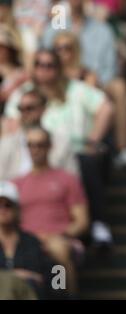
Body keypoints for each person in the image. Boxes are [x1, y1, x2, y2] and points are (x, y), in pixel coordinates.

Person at [4, 49, 113, 247]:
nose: (43, 70)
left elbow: (105, 107)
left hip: (57, 193)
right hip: (18, 204)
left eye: (49, 65)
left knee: (86, 160)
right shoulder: (9, 142)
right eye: (38, 65)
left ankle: (97, 224)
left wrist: (92, 140)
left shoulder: (76, 91)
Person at [42, 0, 126, 171]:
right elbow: (44, 60)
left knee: (118, 87)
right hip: (59, 83)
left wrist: (92, 80)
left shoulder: (102, 29)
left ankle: (122, 150)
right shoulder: (56, 26)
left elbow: (110, 70)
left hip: (95, 84)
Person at [13, 126, 89, 296]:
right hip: (24, 241)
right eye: (31, 145)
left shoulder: (67, 179)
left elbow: (82, 221)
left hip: (60, 239)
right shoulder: (17, 184)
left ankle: (66, 296)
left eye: (40, 145)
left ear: (49, 146)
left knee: (58, 249)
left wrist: (56, 235)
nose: (35, 150)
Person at [0, 88, 79, 180]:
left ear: (43, 109)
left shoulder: (61, 143)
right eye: (21, 108)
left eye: (30, 108)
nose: (24, 113)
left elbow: (72, 180)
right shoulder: (6, 144)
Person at [0, 180, 51, 299]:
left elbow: (52, 275)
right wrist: (14, 275)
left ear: (16, 209)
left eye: (8, 205)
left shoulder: (32, 242)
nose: (3, 209)